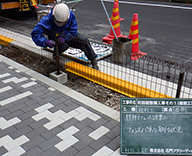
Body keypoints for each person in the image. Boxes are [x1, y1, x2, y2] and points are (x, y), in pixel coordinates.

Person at [31, 3, 99, 70]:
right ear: (53, 16)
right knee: (64, 45)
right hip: (56, 40)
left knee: (84, 41)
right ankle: (56, 55)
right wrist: (45, 42)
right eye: (58, 22)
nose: (59, 24)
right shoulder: (47, 20)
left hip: (69, 36)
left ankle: (94, 61)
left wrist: (65, 37)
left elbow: (73, 30)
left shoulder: (71, 15)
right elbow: (35, 34)